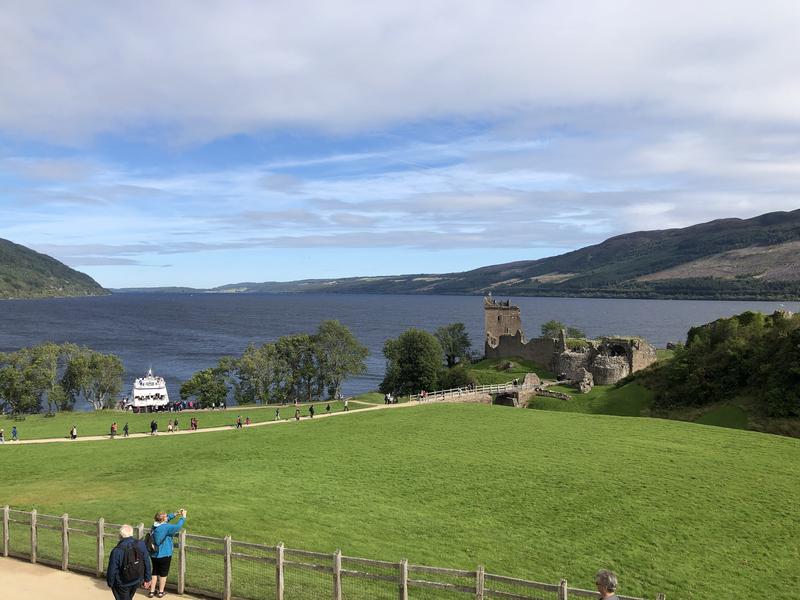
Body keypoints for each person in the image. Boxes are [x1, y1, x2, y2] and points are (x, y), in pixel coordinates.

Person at [106, 523, 152, 600]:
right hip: (136, 579)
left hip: (122, 583)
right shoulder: (141, 544)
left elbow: (112, 568)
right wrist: (147, 578)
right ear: (131, 533)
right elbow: (146, 561)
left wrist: (110, 583)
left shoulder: (117, 550)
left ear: (120, 535)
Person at [149, 509, 187, 598]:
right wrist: (183, 517)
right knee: (163, 574)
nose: (167, 517)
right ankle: (161, 592)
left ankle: (151, 591)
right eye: (166, 516)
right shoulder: (167, 527)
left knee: (154, 572)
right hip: (165, 554)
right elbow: (178, 526)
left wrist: (176, 513)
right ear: (163, 519)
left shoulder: (154, 526)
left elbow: (166, 519)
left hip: (154, 554)